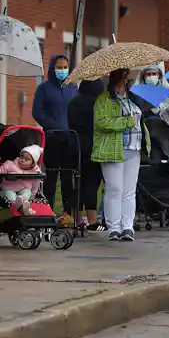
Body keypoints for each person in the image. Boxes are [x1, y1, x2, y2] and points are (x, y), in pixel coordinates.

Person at [92, 68, 150, 242]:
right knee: (114, 188)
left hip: (134, 148)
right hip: (112, 149)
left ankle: (127, 226)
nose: (125, 81)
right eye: (123, 78)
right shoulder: (104, 99)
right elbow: (101, 122)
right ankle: (114, 227)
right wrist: (126, 121)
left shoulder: (133, 99)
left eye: (127, 78)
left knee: (129, 190)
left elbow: (141, 119)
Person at [32, 54, 78, 226]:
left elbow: (76, 110)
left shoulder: (72, 88)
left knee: (68, 179)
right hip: (52, 138)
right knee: (51, 177)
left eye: (65, 67)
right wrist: (51, 125)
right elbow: (37, 111)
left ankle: (67, 214)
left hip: (70, 138)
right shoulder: (44, 89)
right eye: (59, 67)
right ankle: (47, 213)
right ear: (52, 68)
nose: (62, 70)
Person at [68, 79, 105, 231]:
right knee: (92, 184)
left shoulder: (73, 103)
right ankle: (92, 219)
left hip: (74, 147)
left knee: (78, 183)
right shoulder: (96, 105)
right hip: (93, 147)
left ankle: (77, 218)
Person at [133, 64, 169, 159]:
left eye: (154, 73)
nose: (151, 76)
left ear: (159, 75)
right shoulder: (137, 90)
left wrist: (161, 107)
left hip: (163, 130)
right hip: (142, 130)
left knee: (164, 160)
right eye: (148, 74)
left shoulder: (166, 89)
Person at [0, 145, 43, 215]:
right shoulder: (10, 165)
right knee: (10, 194)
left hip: (24, 189)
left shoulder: (35, 172)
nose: (22, 160)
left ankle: (23, 204)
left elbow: (35, 186)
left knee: (27, 192)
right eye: (21, 157)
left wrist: (32, 198)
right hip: (9, 188)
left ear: (33, 164)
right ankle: (20, 206)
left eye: (26, 159)